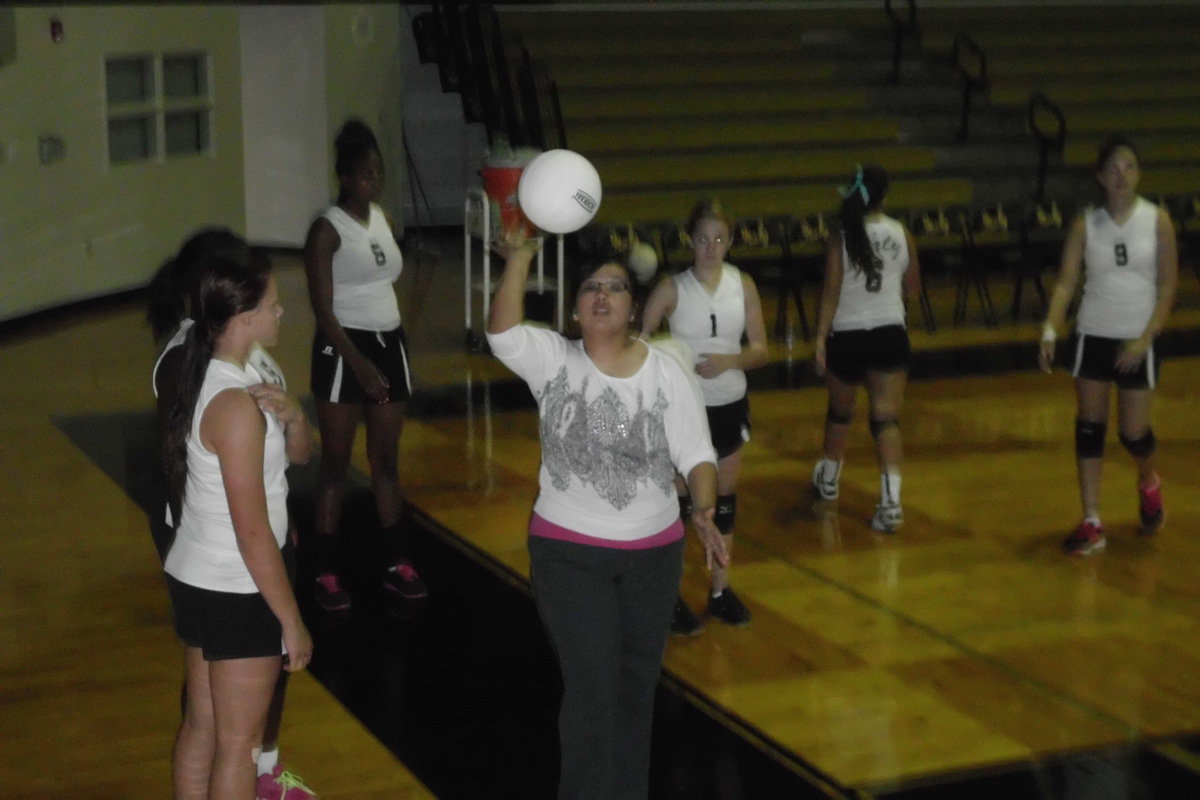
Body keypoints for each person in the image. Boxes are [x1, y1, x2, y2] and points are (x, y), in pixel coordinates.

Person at [487, 233, 729, 800]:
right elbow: (501, 333)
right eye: (591, 287)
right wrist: (521, 260)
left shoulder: (667, 371)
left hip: (654, 557)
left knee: (633, 692)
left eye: (616, 287)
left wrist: (704, 508)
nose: (603, 297)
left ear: (634, 305)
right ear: (574, 306)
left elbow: (697, 453)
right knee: (594, 691)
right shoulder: (553, 360)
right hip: (569, 555)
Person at [147, 230, 316, 800]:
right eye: (271, 304)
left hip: (199, 575)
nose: (281, 311)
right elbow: (252, 533)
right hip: (238, 585)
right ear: (242, 315)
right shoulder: (234, 405)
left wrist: (293, 418)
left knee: (205, 726)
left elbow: (293, 460)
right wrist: (290, 618)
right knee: (240, 747)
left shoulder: (227, 375)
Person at [303, 119, 426, 611]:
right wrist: (358, 364)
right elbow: (322, 309)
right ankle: (325, 572)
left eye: (380, 173)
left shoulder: (379, 218)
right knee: (335, 465)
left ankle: (398, 564)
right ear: (346, 178)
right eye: (368, 174)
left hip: (388, 344)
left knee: (386, 462)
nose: (376, 181)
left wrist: (388, 347)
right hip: (342, 349)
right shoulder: (326, 231)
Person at [1039, 135, 1178, 554]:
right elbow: (1067, 283)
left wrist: (1145, 338)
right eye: (1114, 168)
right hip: (1093, 334)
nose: (1122, 175)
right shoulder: (1086, 224)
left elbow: (1169, 285)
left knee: (1133, 434)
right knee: (1089, 428)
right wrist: (1050, 329)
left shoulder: (1157, 220)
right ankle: (1092, 520)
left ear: (1138, 174)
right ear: (1100, 177)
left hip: (1137, 338)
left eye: (1129, 167)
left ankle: (1149, 482)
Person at [640, 198, 768, 633]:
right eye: (702, 239)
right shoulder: (671, 289)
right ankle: (668, 595)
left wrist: (729, 362)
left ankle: (720, 590)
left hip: (730, 404)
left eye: (719, 239)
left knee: (723, 503)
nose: (711, 247)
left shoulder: (742, 284)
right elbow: (638, 349)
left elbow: (761, 350)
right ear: (689, 240)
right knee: (679, 504)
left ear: (730, 241)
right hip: (685, 411)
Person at [812, 165, 921, 532]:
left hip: (847, 335)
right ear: (885, 197)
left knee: (840, 413)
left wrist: (819, 340)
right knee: (886, 419)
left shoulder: (841, 235)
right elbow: (913, 288)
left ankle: (829, 479)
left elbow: (830, 292)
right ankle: (891, 504)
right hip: (890, 332)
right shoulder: (902, 232)